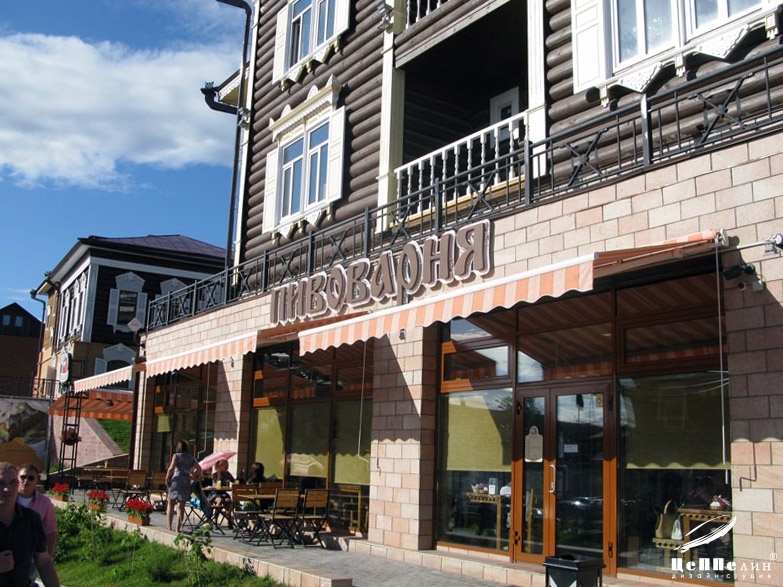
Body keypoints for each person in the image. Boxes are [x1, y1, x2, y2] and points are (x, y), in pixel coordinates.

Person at [0, 462, 60, 587]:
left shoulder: (31, 520)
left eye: (12, 482)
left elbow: (43, 562)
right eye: (1, 483)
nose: (7, 489)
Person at [17, 464, 57, 585]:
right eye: (23, 477)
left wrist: (48, 557)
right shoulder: (9, 499)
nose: (26, 481)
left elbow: (51, 531)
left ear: (37, 480)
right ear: (17, 478)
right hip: (9, 556)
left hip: (31, 559)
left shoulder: (45, 503)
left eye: (31, 478)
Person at [165, 439, 198, 532]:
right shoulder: (191, 458)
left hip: (176, 479)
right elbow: (199, 468)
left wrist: (167, 477)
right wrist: (193, 475)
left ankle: (169, 526)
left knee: (171, 503)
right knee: (181, 506)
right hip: (186, 480)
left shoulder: (176, 456)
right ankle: (178, 528)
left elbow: (171, 468)